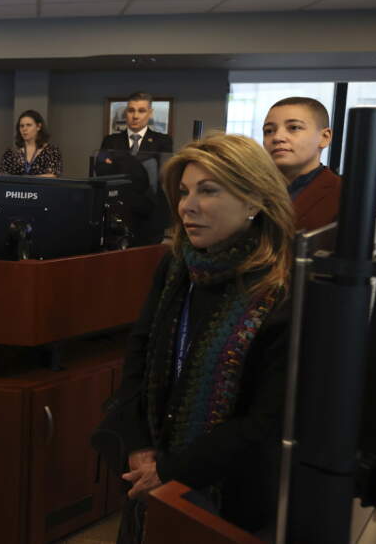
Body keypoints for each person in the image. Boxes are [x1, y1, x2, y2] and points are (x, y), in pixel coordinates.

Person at [94, 133, 295, 542]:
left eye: (208, 190)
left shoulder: (282, 290)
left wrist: (168, 471)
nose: (188, 206)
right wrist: (139, 447)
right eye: (184, 192)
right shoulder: (176, 267)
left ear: (254, 200)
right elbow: (140, 354)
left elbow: (263, 421)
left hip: (228, 497)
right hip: (149, 471)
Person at [262, 96, 341, 231]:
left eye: (294, 127)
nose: (277, 137)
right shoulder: (250, 190)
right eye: (269, 131)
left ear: (325, 137)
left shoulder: (345, 196)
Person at [100, 91, 174, 154]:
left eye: (141, 111)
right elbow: (101, 168)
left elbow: (165, 169)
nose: (135, 116)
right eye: (131, 110)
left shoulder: (163, 141)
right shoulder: (110, 141)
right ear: (126, 112)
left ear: (150, 113)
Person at [0, 109, 62, 177]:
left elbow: (52, 175)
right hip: (14, 188)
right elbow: (2, 175)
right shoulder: (10, 152)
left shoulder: (52, 151)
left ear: (38, 127)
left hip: (41, 187)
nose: (24, 129)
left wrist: (27, 180)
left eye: (28, 125)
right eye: (21, 126)